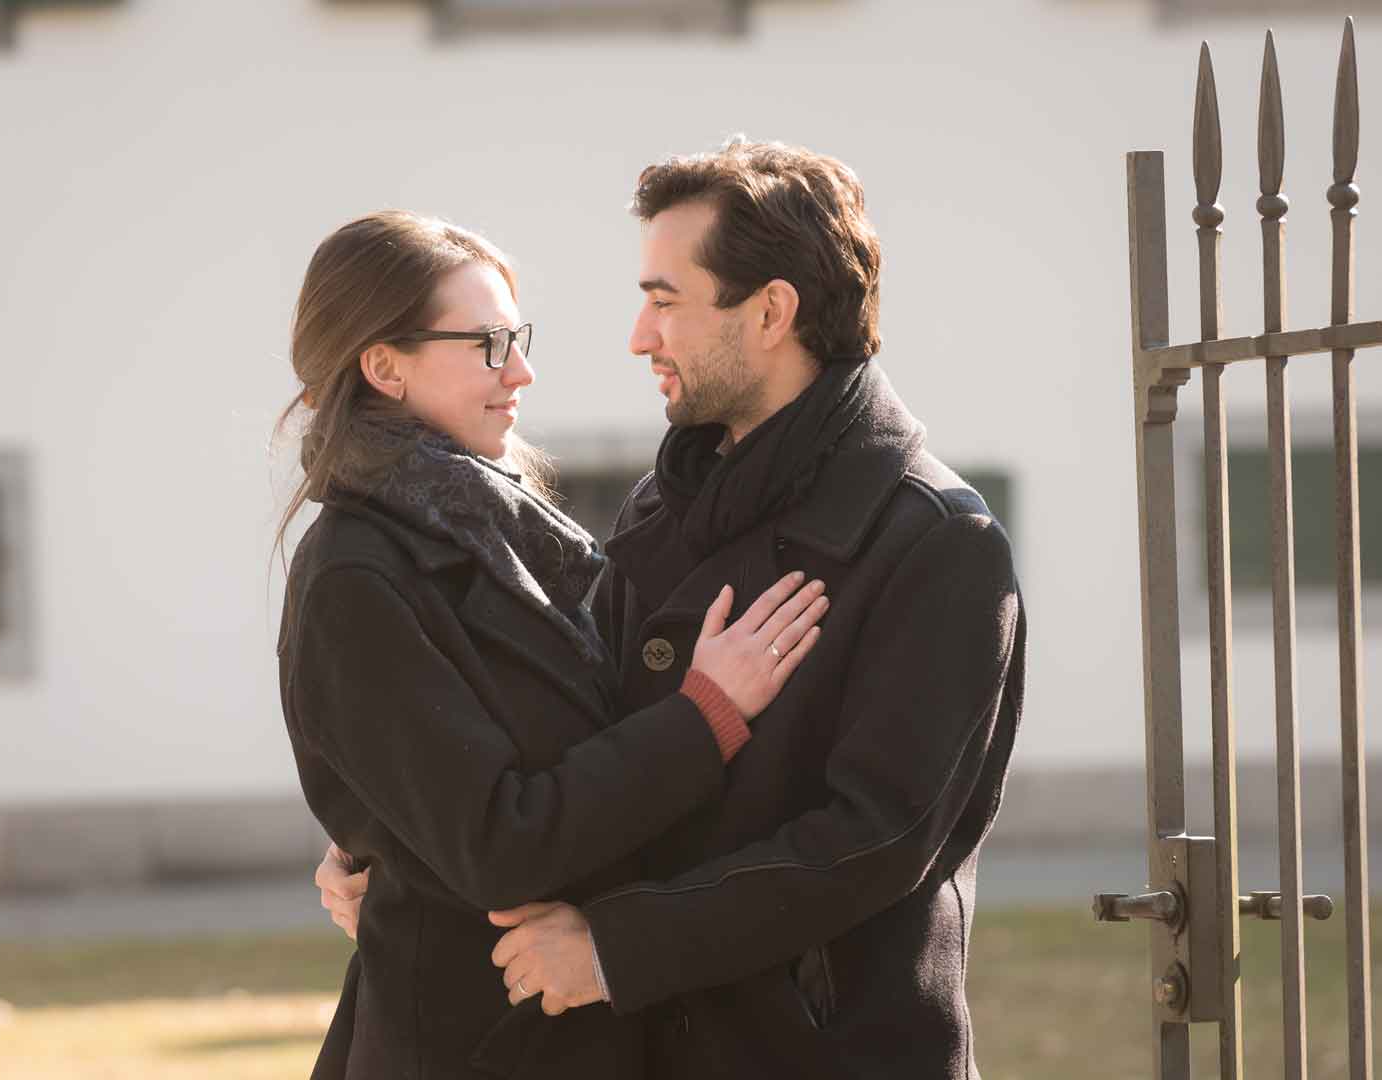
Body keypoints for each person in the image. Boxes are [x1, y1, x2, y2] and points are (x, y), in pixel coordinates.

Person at [321, 140, 1025, 1079]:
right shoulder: (666, 504)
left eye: (665, 301)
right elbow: (578, 734)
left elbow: (875, 839)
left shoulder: (938, 541)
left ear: (772, 311)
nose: (639, 337)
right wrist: (399, 843)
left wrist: (620, 945)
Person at [274, 209, 832, 1080]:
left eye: (518, 338)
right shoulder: (356, 576)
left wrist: (374, 839)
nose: (523, 371)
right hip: (473, 1046)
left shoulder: (495, 528)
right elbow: (501, 845)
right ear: (384, 367)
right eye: (488, 345)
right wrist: (706, 716)